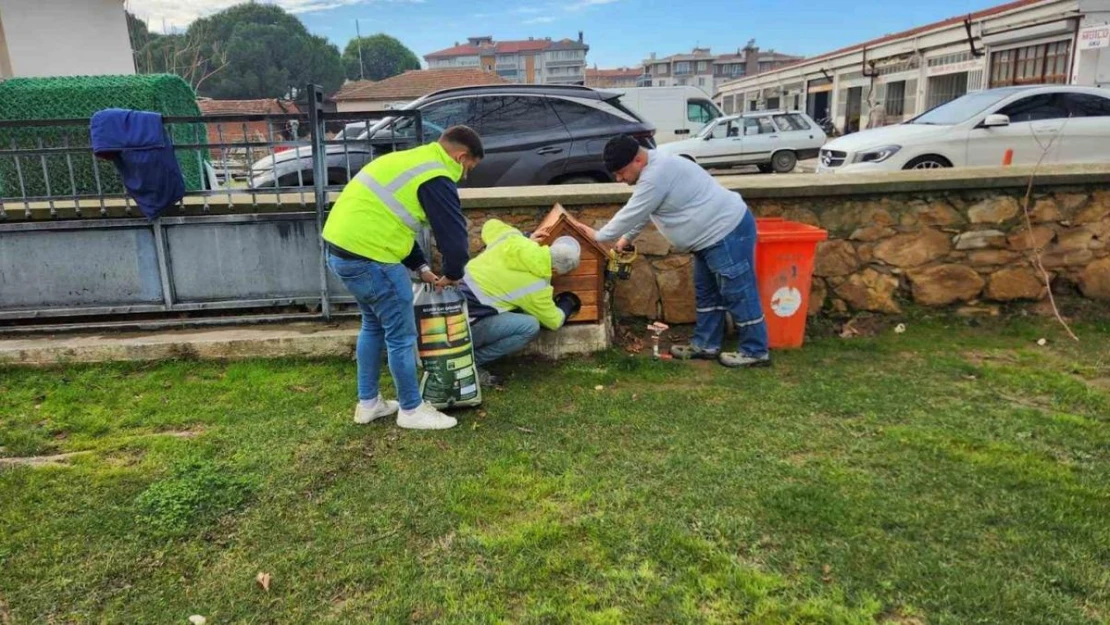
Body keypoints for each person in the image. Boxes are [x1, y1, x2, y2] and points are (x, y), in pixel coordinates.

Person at [321, 125, 483, 430]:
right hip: (373, 259)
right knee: (401, 336)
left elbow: (392, 216)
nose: (465, 175)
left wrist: (421, 267)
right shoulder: (437, 175)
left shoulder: (412, 161)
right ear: (461, 157)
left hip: (340, 252)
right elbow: (454, 236)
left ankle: (368, 404)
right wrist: (452, 273)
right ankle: (411, 409)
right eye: (470, 167)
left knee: (372, 325)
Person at [594, 135, 770, 368]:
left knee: (738, 292)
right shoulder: (653, 171)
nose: (619, 179)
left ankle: (756, 351)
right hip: (708, 239)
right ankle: (705, 345)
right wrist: (626, 239)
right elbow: (645, 210)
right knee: (707, 293)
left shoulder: (657, 174)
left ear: (637, 160)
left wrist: (597, 236)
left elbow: (632, 212)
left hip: (726, 231)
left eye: (621, 172)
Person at [459, 219, 582, 385]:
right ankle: (467, 363)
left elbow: (490, 225)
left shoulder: (514, 240)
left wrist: (526, 237)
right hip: (462, 329)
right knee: (530, 326)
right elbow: (554, 321)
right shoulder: (537, 286)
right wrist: (568, 302)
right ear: (553, 269)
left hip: (445, 309)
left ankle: (459, 357)